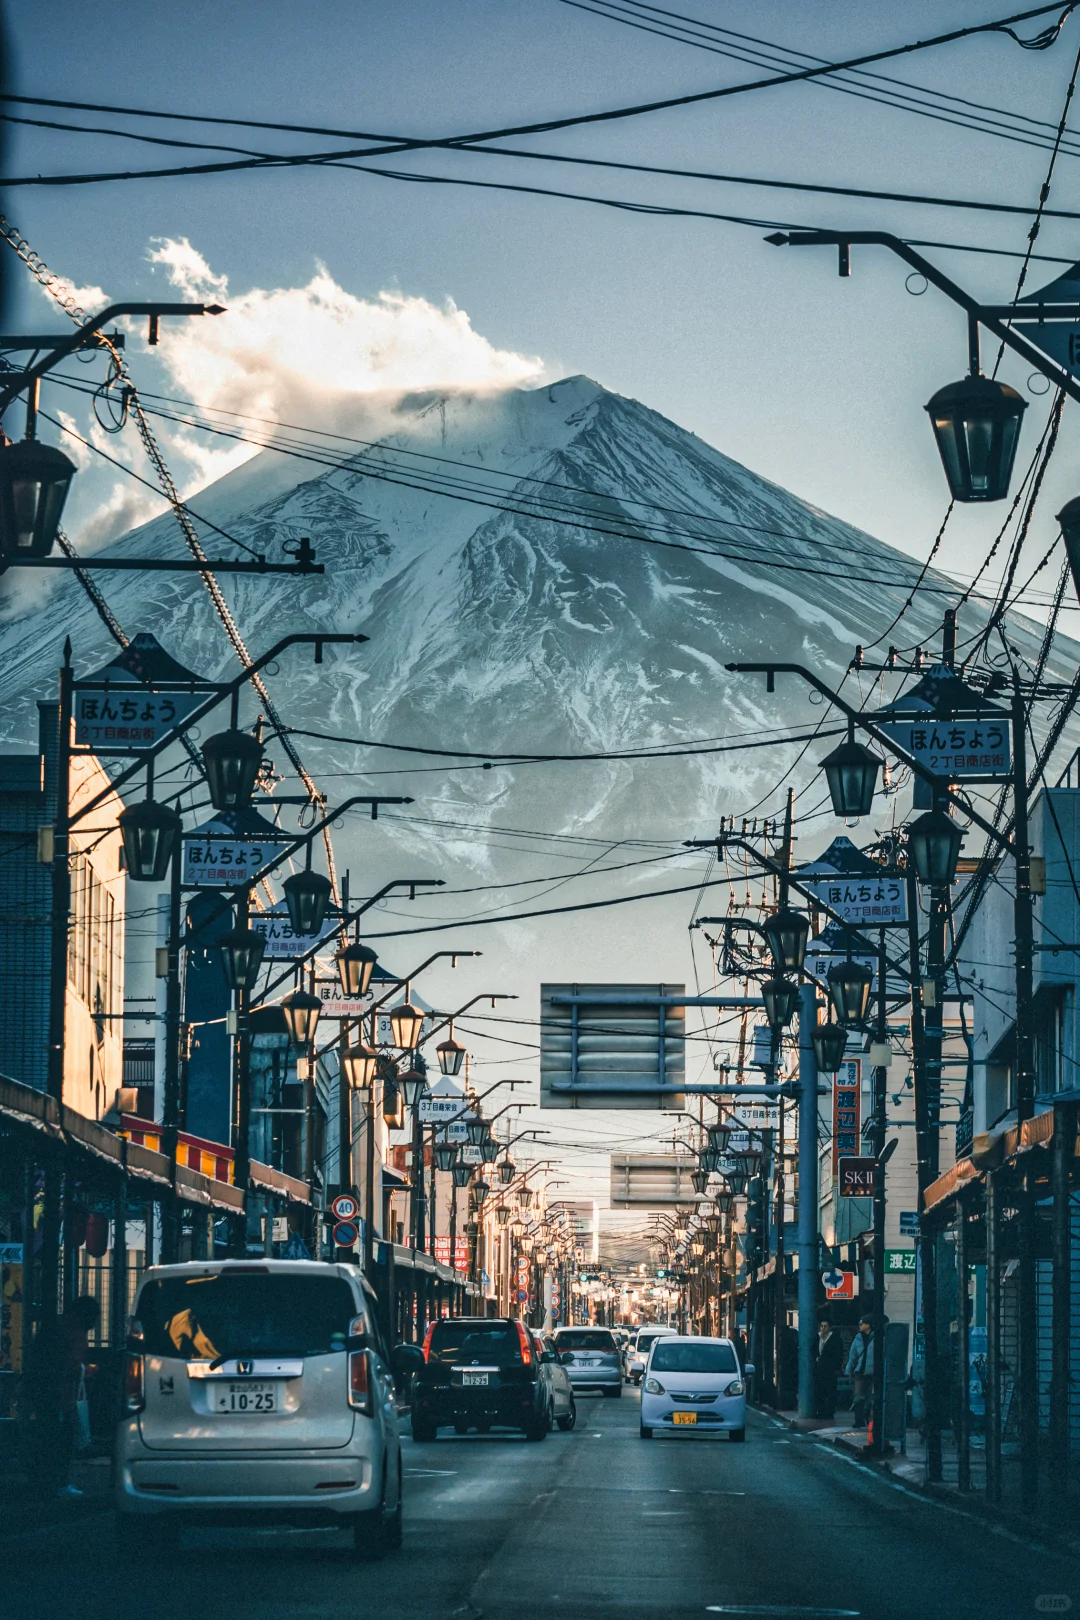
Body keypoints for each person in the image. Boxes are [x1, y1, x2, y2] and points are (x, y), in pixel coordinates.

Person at [20, 1295, 100, 1498]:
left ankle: (42, 1482)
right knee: (63, 1440)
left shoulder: (54, 1326)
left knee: (45, 1437)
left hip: (42, 1392)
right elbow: (70, 1367)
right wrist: (85, 1371)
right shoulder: (75, 1334)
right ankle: (58, 1483)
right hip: (63, 1395)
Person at [845, 1315, 875, 1428]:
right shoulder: (858, 1337)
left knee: (871, 1397)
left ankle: (870, 1419)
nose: (860, 1325)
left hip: (873, 1371)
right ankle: (859, 1419)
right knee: (858, 1396)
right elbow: (852, 1355)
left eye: (861, 1323)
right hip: (860, 1371)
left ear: (868, 1325)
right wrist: (848, 1370)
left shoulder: (877, 1337)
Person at [813, 1315, 843, 1420]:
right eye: (821, 1326)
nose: (823, 1328)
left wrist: (836, 1367)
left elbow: (838, 1354)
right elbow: (813, 1351)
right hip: (819, 1369)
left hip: (830, 1369)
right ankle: (821, 1411)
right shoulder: (817, 1338)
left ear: (829, 1327)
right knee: (819, 1392)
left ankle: (829, 1412)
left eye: (825, 1326)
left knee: (830, 1392)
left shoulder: (835, 1339)